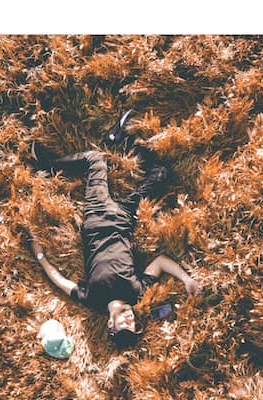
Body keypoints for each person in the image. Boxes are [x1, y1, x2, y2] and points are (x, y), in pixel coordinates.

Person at [30, 111, 200, 349]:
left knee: (95, 159)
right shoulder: (136, 293)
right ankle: (121, 138)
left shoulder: (93, 300)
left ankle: (46, 166)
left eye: (124, 324)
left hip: (98, 218)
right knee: (161, 175)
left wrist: (39, 255)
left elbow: (59, 281)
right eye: (134, 324)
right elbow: (160, 262)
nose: (130, 319)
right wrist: (186, 278)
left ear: (111, 325)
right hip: (125, 217)